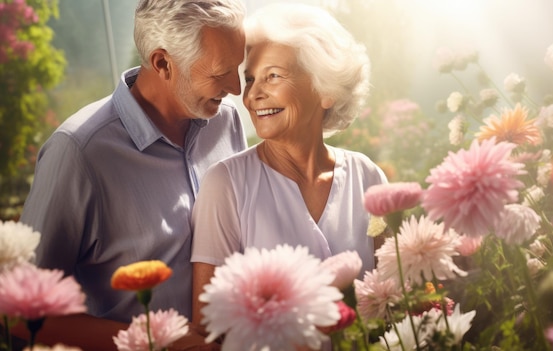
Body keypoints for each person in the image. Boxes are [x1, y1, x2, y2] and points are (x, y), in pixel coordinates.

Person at [14, 0, 247, 350]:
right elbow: (21, 312)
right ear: (162, 63)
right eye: (219, 73)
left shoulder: (225, 120)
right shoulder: (78, 152)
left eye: (238, 67)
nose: (236, 88)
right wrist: (158, 343)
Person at [190, 1, 388, 340]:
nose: (252, 95)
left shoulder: (368, 178)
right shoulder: (226, 185)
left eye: (273, 76)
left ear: (326, 90)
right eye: (250, 79)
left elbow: (392, 301)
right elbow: (208, 331)